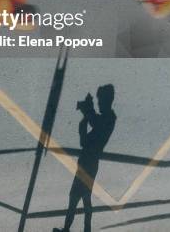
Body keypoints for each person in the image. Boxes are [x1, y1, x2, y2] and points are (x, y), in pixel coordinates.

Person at [53, 85, 116, 232]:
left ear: (108, 100)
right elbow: (85, 140)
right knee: (84, 198)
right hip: (88, 163)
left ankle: (69, 229)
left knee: (75, 197)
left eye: (100, 100)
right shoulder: (106, 118)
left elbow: (93, 128)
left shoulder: (109, 118)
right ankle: (83, 229)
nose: (99, 103)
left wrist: (87, 112)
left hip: (88, 163)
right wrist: (86, 115)